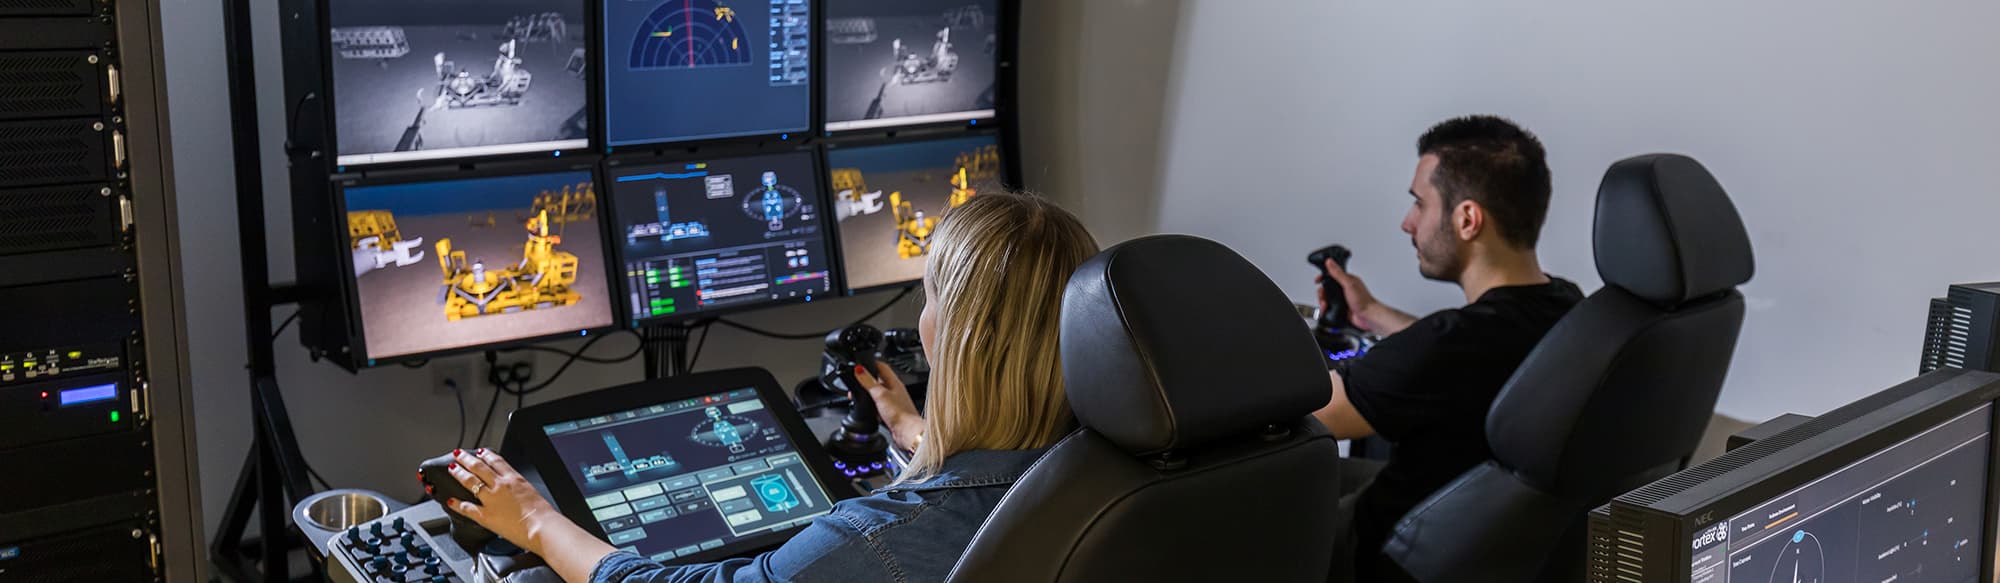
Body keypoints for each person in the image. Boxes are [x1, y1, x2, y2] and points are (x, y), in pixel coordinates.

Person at [434, 192, 1099, 582]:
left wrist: (536, 521)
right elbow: (992, 481)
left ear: (955, 339)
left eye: (929, 298)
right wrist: (915, 431)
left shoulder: (877, 536)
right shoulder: (1110, 462)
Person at [1310, 115, 1584, 578]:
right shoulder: (1565, 306)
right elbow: (1461, 357)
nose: (1408, 222)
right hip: (1479, 538)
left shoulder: (1449, 344)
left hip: (1377, 550)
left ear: (1467, 219)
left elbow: (1314, 415)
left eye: (1420, 203)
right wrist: (1371, 312)